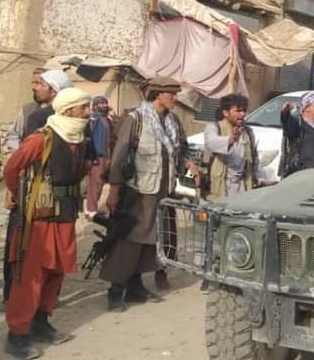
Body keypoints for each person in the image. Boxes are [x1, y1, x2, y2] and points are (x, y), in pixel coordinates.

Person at [3, 87, 92, 359]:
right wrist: (18, 196)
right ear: (68, 110)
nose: (88, 112)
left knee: (56, 272)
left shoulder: (80, 139)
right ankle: (17, 334)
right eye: (83, 107)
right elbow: (12, 168)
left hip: (65, 215)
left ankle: (40, 322)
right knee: (30, 276)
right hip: (39, 219)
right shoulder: (42, 138)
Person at [100, 76, 197, 311]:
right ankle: (116, 290)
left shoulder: (172, 121)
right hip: (139, 191)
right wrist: (114, 189)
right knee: (131, 240)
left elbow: (179, 150)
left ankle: (135, 286)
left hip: (163, 190)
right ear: (157, 94)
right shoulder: (137, 120)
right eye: (170, 93)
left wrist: (188, 163)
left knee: (153, 239)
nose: (175, 98)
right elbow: (120, 156)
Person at [204, 94, 260, 200]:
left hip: (242, 185)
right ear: (226, 112)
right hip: (222, 184)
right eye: (238, 111)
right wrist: (231, 139)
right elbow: (211, 142)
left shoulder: (248, 132)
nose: (242, 114)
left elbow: (254, 158)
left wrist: (259, 178)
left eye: (244, 110)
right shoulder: (214, 127)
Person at [279, 91, 314, 177]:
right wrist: (286, 113)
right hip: (302, 176)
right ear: (307, 108)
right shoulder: (299, 124)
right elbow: (288, 122)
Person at [23, 70, 73, 137]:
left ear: (53, 91)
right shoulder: (76, 112)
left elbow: (32, 143)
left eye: (41, 84)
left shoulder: (38, 117)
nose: (35, 88)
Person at [85, 96, 112, 218]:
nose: (104, 105)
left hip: (106, 155)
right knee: (95, 183)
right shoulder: (94, 118)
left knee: (100, 183)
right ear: (95, 106)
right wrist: (92, 155)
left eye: (105, 103)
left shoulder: (106, 119)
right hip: (97, 155)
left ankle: (94, 207)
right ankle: (90, 210)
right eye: (101, 103)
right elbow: (89, 136)